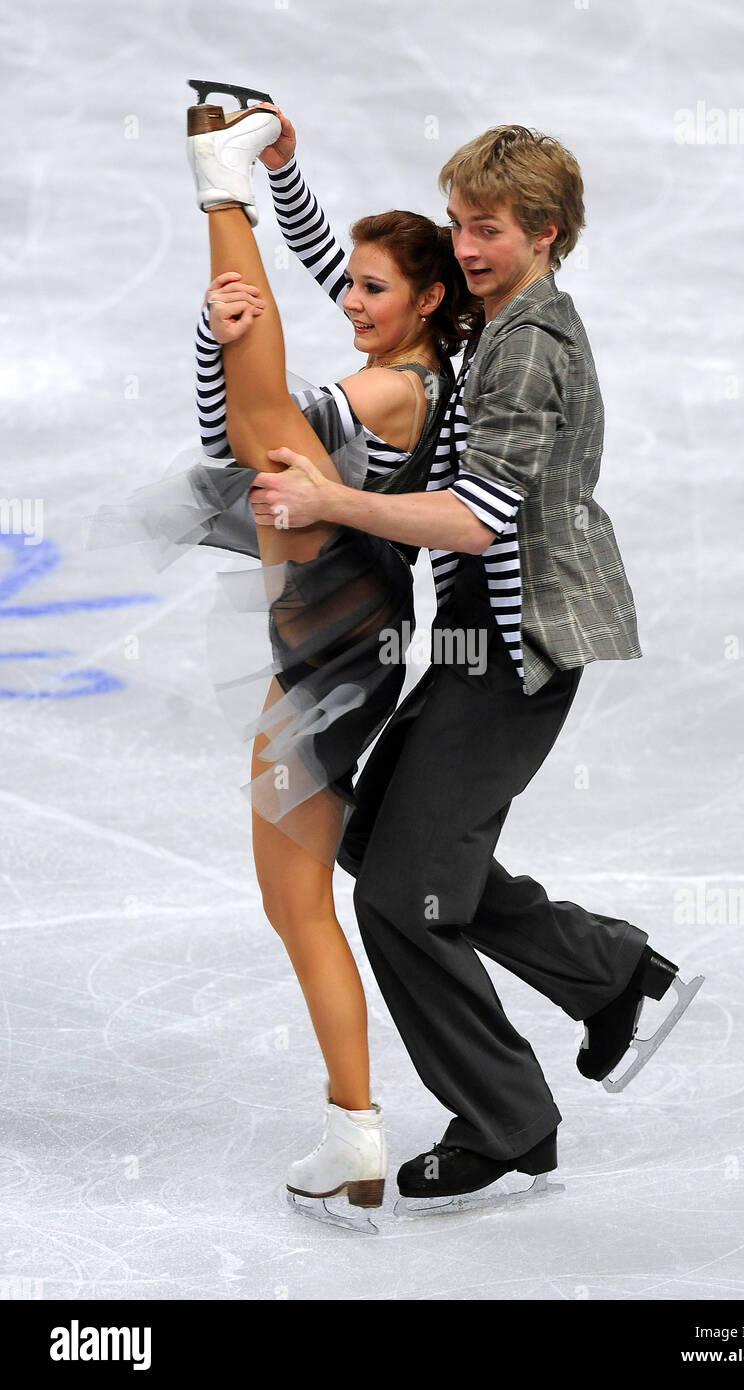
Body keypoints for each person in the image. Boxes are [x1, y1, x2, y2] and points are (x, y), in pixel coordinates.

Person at [252, 123, 704, 1205]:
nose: (462, 246)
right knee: (379, 844)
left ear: (542, 235)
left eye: (486, 229)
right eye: (455, 224)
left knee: (403, 897)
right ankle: (606, 970)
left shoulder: (526, 350)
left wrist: (327, 500)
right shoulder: (488, 309)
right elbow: (359, 282)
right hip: (473, 648)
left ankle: (508, 1116)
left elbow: (469, 516)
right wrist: (280, 177)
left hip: (516, 654)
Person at [90, 84, 480, 1222]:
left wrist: (232, 290)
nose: (352, 300)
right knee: (294, 898)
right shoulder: (400, 355)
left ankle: (353, 1125)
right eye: (348, 285)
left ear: (426, 304)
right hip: (328, 638)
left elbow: (265, 421)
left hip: (337, 645)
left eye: (374, 289)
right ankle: (349, 1124)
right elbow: (233, 430)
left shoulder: (404, 390)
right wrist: (269, 209)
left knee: (298, 900)